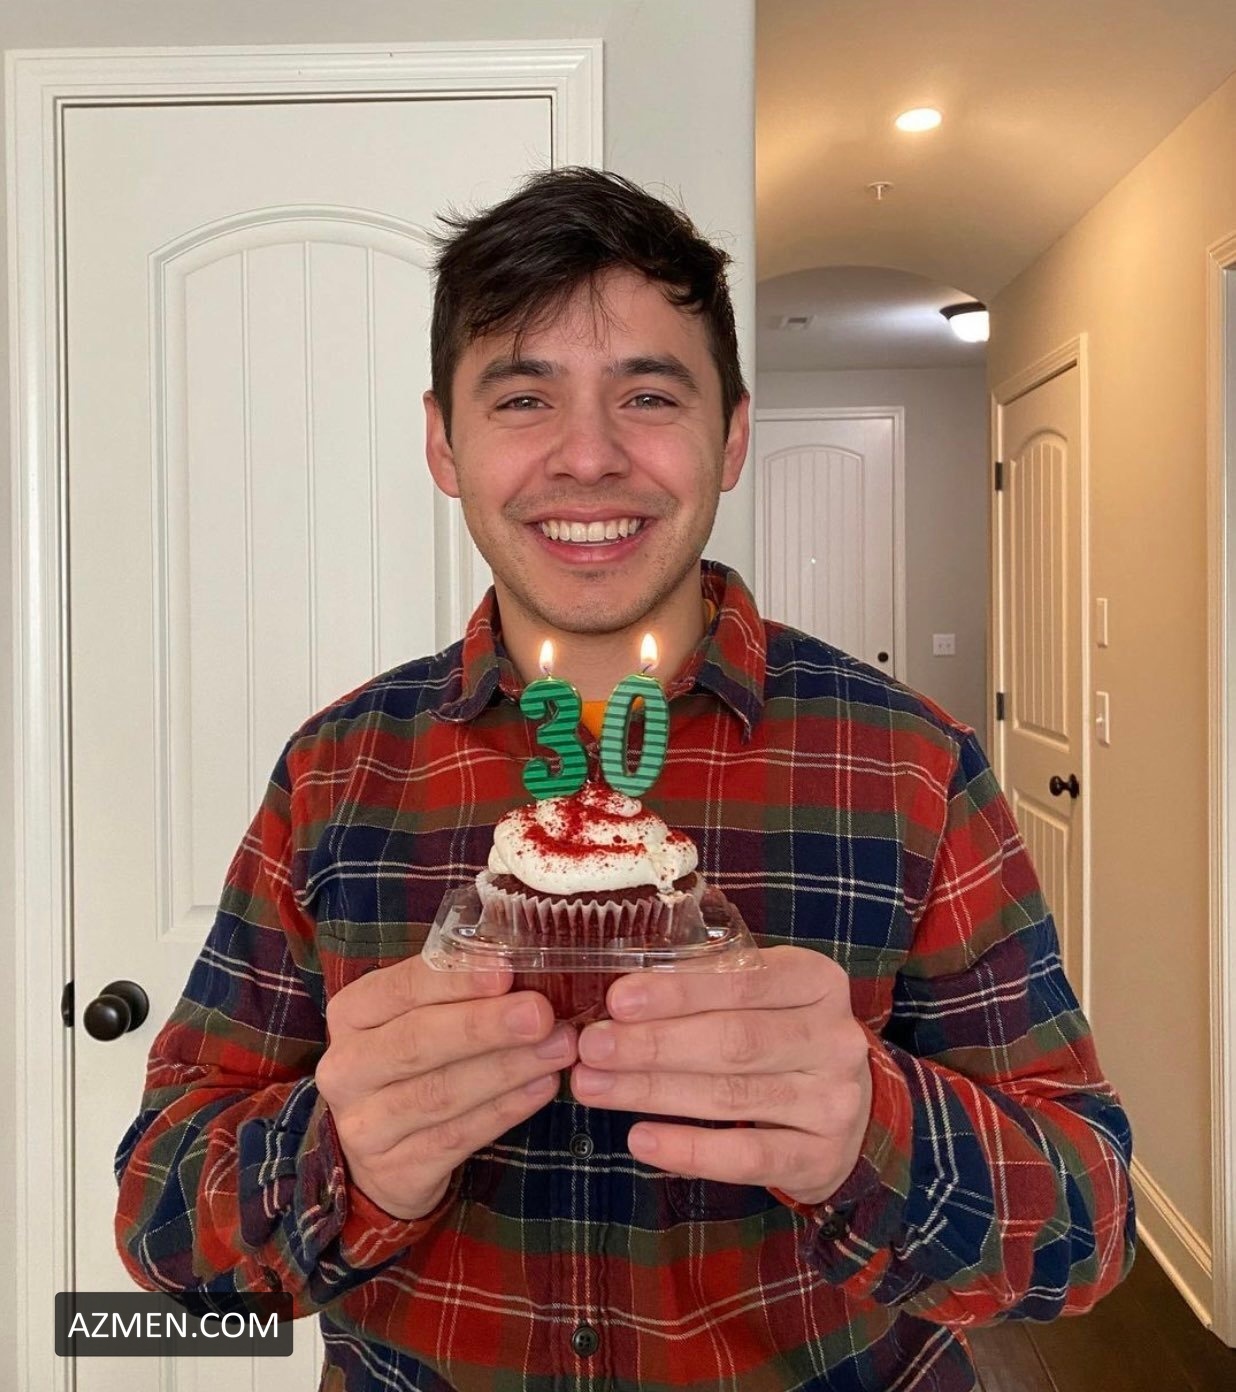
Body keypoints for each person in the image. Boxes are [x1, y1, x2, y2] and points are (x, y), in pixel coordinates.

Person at [114, 167, 1135, 1391]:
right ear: (443, 441)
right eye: (523, 398)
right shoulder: (337, 771)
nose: (589, 457)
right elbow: (163, 1224)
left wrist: (873, 1129)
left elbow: (1086, 1229)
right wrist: (340, 1155)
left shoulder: (908, 763)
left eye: (648, 396)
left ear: (733, 435)